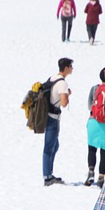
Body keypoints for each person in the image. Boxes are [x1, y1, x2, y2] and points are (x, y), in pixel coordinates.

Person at [43, 58, 73, 186]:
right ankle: (47, 176)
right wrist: (67, 94)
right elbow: (64, 103)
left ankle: (49, 173)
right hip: (53, 118)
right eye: (71, 66)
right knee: (50, 147)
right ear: (65, 68)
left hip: (48, 115)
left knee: (54, 145)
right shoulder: (62, 83)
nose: (72, 68)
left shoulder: (52, 78)